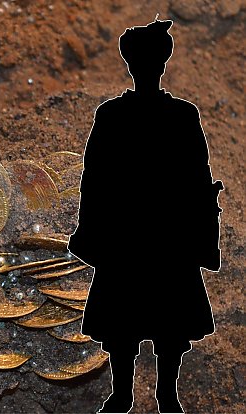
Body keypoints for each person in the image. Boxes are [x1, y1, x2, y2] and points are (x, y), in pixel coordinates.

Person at [68, 18, 222, 414]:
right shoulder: (172, 115)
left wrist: (91, 231)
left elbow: (95, 180)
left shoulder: (119, 114)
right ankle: (135, 394)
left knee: (142, 321)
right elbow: (96, 178)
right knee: (140, 322)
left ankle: (156, 394)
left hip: (141, 235)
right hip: (154, 235)